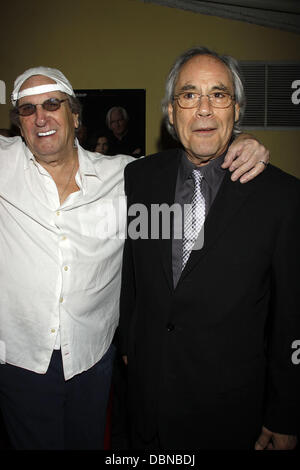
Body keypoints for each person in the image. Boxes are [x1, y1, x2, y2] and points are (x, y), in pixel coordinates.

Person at [0, 64, 268, 451]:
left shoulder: (127, 177)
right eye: (27, 109)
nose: (40, 117)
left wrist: (244, 143)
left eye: (52, 104)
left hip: (91, 359)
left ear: (75, 115)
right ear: (19, 123)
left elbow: (193, 162)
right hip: (20, 360)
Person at [118, 46, 300, 450]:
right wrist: (130, 344)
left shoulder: (281, 196)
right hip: (147, 405)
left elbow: (292, 315)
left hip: (229, 415)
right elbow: (134, 271)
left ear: (237, 111)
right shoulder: (140, 178)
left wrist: (285, 411)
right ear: (170, 112)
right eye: (189, 95)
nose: (203, 109)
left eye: (218, 95)